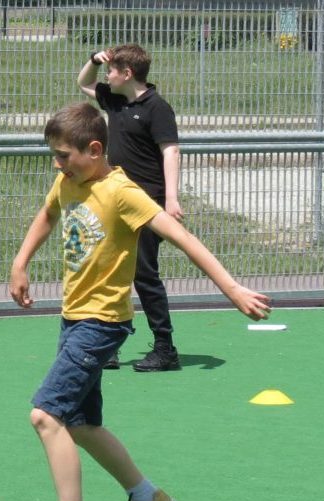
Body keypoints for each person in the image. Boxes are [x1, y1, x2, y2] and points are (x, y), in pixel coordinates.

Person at [9, 102, 270, 501]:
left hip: (102, 323)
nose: (56, 163)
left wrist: (231, 288)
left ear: (94, 149)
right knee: (81, 425)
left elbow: (181, 236)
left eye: (63, 155)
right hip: (73, 318)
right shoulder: (69, 181)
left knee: (46, 416)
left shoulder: (121, 192)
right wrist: (20, 262)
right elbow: (47, 215)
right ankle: (147, 499)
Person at [77, 44, 182, 372]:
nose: (107, 74)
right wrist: (94, 60)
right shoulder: (116, 100)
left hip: (147, 201)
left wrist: (172, 199)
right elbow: (84, 82)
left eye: (112, 70)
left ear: (127, 74)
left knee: (144, 274)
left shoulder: (157, 108)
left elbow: (171, 152)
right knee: (109, 268)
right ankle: (110, 345)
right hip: (115, 200)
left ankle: (165, 349)